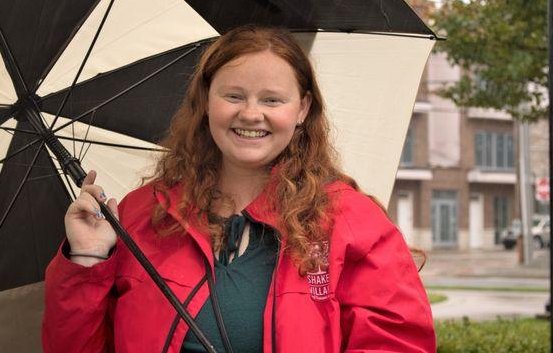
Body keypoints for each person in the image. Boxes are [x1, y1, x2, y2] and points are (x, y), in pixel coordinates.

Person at [42, 25, 436, 352]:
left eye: (272, 99)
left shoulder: (351, 221)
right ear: (206, 102)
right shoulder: (139, 215)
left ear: (301, 109)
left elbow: (398, 342)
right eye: (233, 96)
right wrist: (89, 260)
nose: (250, 113)